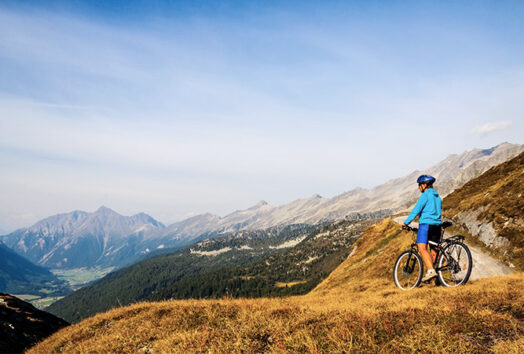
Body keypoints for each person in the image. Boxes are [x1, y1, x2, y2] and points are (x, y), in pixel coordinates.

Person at [402, 175, 442, 282]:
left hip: (426, 225)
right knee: (434, 250)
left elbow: (416, 210)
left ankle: (430, 271)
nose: (419, 188)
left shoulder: (425, 195)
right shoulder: (438, 197)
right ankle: (436, 275)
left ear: (424, 185)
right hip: (437, 226)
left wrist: (406, 223)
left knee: (421, 248)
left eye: (419, 185)